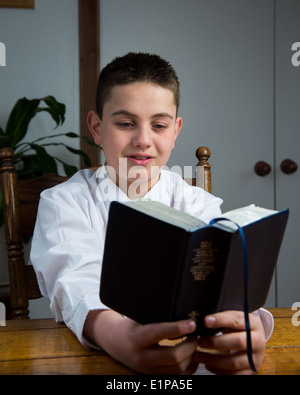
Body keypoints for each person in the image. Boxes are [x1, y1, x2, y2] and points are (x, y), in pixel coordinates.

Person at [31, 52, 272, 375]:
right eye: (125, 123)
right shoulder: (64, 202)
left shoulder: (199, 204)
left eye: (158, 125)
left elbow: (225, 288)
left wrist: (247, 327)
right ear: (96, 128)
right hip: (98, 360)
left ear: (175, 131)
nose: (143, 140)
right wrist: (120, 339)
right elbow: (76, 281)